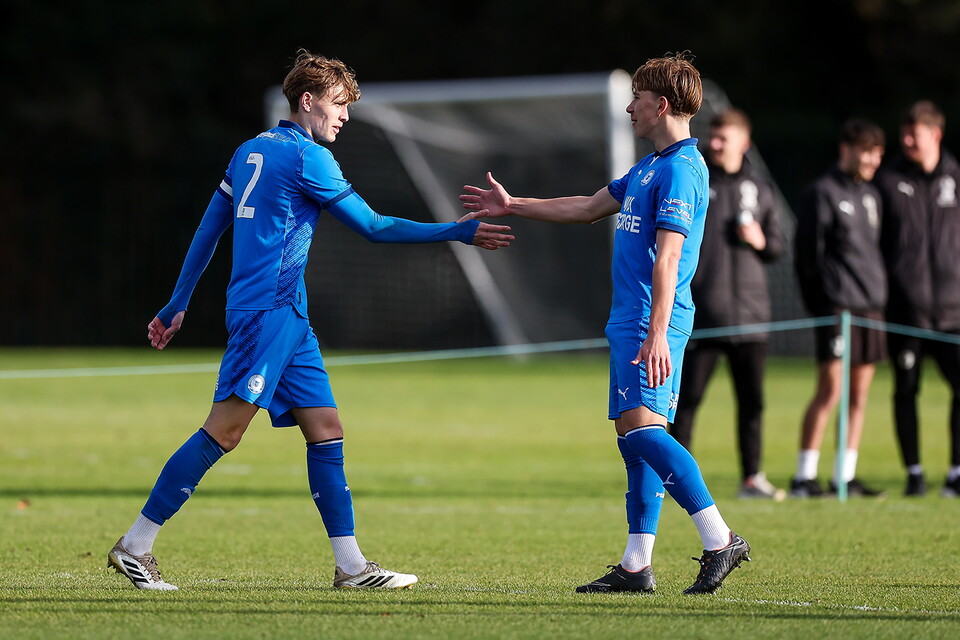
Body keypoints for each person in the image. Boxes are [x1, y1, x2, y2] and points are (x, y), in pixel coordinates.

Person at [106, 50, 514, 591]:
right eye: (339, 104)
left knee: (326, 429)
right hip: (267, 313)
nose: (344, 116)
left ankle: (351, 567)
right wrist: (454, 232)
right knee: (224, 432)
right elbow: (372, 225)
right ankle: (135, 545)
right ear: (307, 100)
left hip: (289, 315)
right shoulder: (308, 158)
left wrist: (178, 301)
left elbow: (209, 231)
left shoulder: (249, 151)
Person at [460, 52, 750, 595]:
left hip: (650, 322)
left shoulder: (683, 170)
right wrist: (513, 205)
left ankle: (720, 538)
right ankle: (637, 565)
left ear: (661, 104)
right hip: (631, 321)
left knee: (643, 431)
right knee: (634, 438)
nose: (629, 106)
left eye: (638, 97)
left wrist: (658, 332)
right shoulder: (648, 167)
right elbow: (588, 207)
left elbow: (669, 259)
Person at [670, 108, 786, 500]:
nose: (715, 144)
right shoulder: (697, 181)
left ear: (743, 142)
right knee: (686, 403)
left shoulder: (760, 188)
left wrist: (760, 240)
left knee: (752, 403)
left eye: (723, 137)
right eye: (713, 137)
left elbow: (777, 247)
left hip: (752, 316)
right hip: (706, 313)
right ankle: (675, 481)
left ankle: (752, 478)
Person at [791, 118, 887, 498]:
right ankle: (804, 477)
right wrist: (822, 306)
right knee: (830, 390)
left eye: (877, 153)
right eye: (866, 151)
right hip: (838, 309)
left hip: (871, 307)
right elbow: (807, 259)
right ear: (846, 150)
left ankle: (844, 476)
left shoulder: (872, 195)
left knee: (859, 395)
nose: (872, 160)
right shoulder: (822, 193)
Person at [876, 100, 960, 497]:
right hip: (905, 311)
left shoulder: (955, 176)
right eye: (905, 133)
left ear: (936, 135)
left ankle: (956, 471)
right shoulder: (888, 179)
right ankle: (914, 472)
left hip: (953, 311)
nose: (908, 140)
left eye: (916, 134)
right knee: (906, 389)